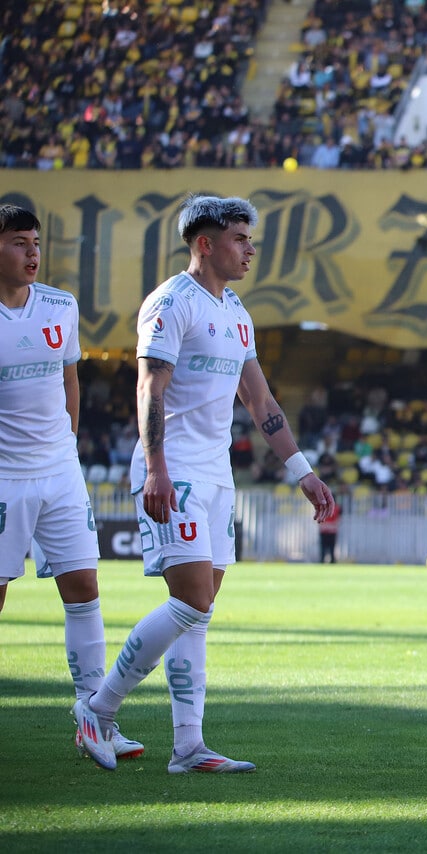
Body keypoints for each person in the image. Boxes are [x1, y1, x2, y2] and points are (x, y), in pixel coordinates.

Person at [73, 195, 335, 773]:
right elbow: (151, 390)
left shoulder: (236, 310)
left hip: (217, 473)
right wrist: (157, 469)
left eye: (251, 240)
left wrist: (303, 472)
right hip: (177, 470)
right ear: (205, 243)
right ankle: (99, 707)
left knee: (200, 608)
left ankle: (188, 745)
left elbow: (260, 400)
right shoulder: (170, 303)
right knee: (191, 600)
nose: (249, 250)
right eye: (240, 239)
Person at [0, 204, 144, 762]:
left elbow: (70, 386)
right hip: (5, 479)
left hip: (60, 473)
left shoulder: (60, 305)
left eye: (35, 242)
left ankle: (95, 717)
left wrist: (68, 454)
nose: (32, 252)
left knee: (84, 588)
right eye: (18, 242)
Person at [319, 497, 341, 563]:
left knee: (330, 547)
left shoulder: (337, 508)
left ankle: (331, 560)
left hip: (330, 530)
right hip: (327, 530)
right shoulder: (323, 507)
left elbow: (338, 520)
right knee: (324, 547)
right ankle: (324, 560)